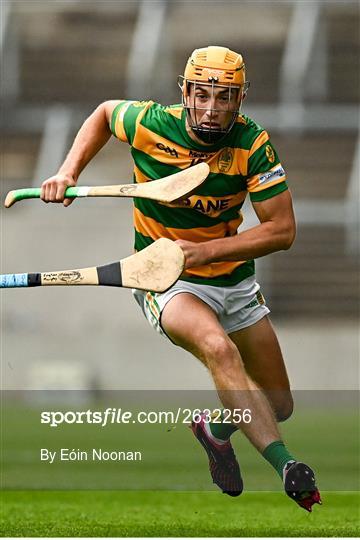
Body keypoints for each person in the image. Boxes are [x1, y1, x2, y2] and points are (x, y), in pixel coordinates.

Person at [41, 46, 321, 511]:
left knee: (279, 404)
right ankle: (287, 465)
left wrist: (205, 251)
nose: (213, 109)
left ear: (241, 99)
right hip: (164, 278)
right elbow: (107, 113)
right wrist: (67, 171)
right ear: (186, 91)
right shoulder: (152, 123)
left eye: (226, 97)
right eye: (204, 94)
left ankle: (214, 430)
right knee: (217, 348)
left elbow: (282, 230)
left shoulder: (252, 145)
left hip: (233, 281)